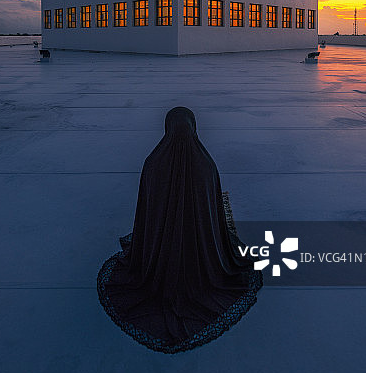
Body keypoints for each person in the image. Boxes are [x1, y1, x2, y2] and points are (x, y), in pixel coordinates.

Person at [97, 106, 262, 353]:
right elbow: (211, 211)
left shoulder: (154, 163)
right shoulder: (205, 164)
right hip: (200, 248)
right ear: (194, 128)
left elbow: (147, 212)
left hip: (159, 249)